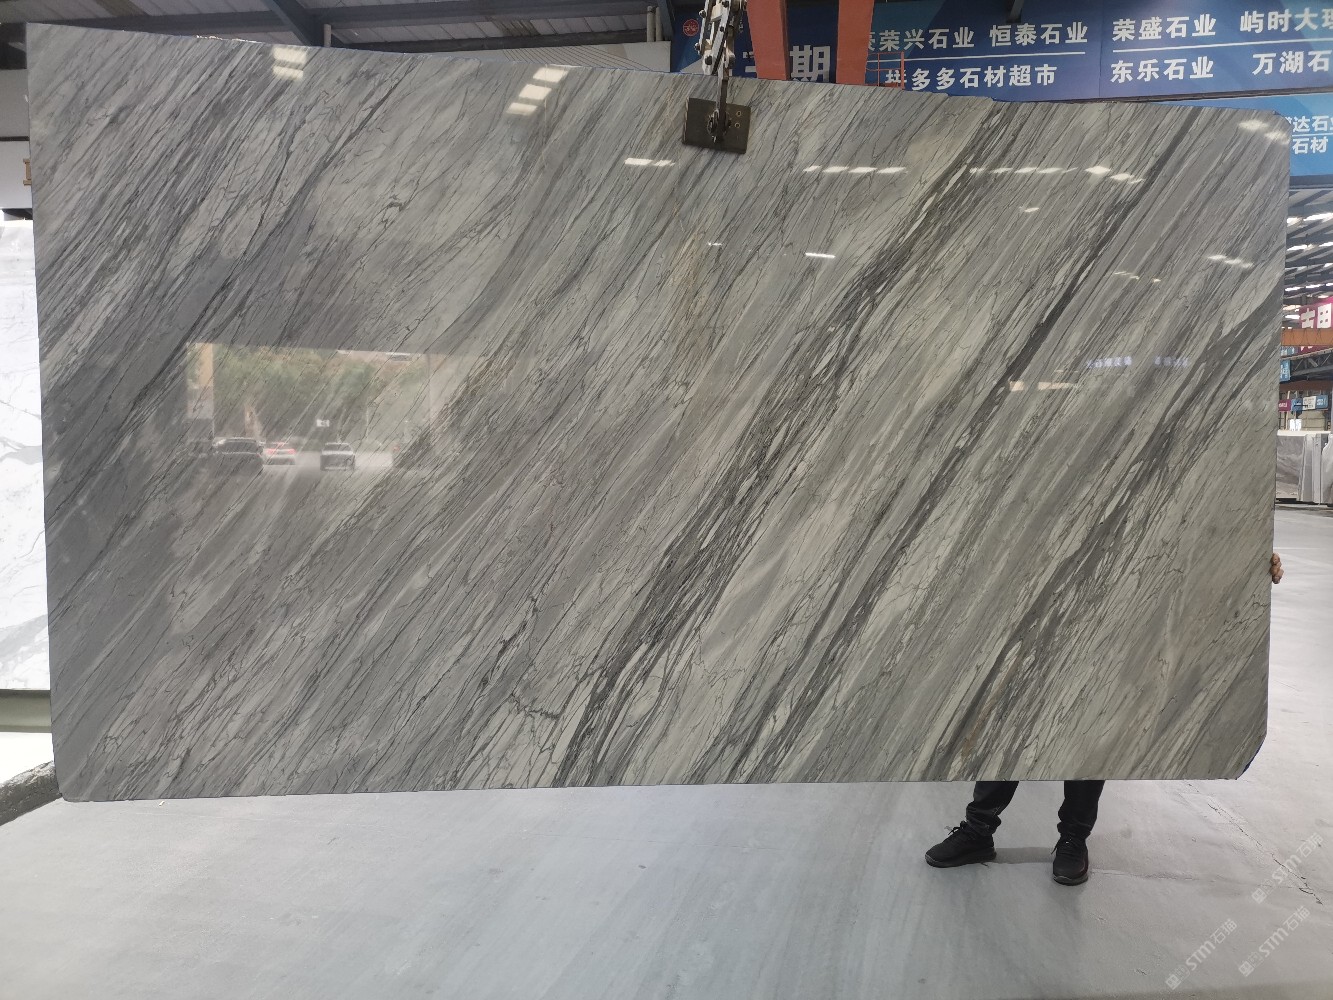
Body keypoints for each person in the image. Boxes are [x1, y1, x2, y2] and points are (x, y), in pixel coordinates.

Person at [926, 552, 1284, 887]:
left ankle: (1073, 838)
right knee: (1011, 716)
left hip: (1118, 591)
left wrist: (1248, 558)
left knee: (1090, 718)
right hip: (1041, 588)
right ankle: (978, 829)